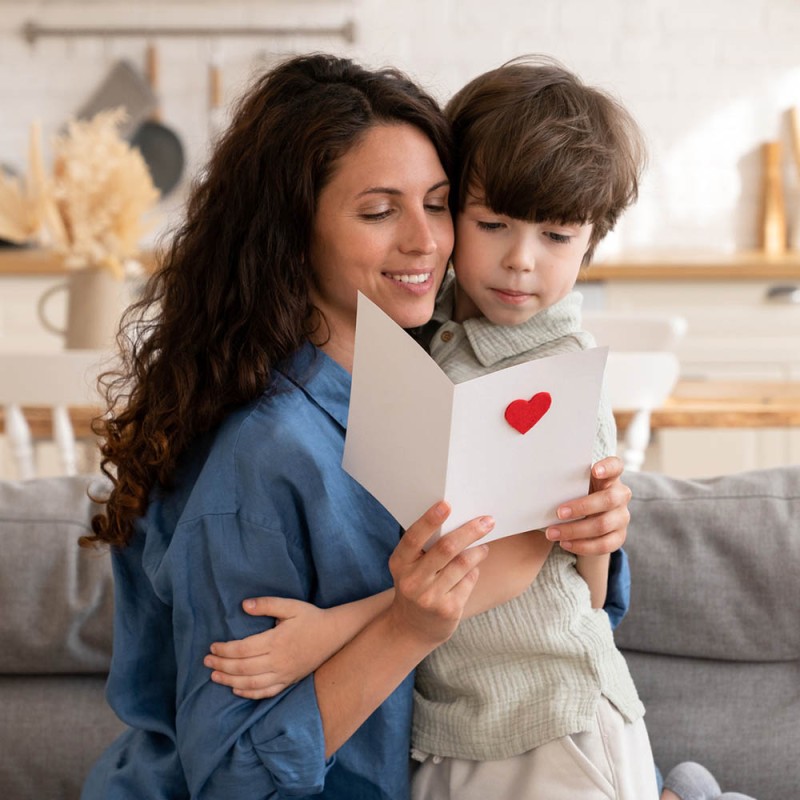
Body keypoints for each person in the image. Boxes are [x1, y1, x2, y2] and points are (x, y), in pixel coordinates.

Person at [80, 53, 633, 799]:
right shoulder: (263, 454)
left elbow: (558, 605)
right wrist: (403, 626)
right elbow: (236, 782)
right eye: (379, 211)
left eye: (438, 205)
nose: (426, 242)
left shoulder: (424, 378)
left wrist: (593, 534)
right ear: (291, 231)